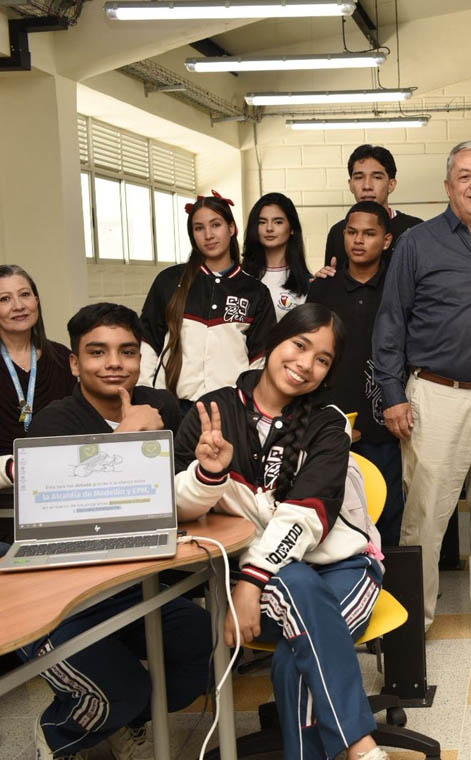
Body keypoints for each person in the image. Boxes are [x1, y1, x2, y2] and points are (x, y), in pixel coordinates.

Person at [173, 304, 388, 760]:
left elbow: (305, 516)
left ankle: (348, 747)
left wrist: (250, 582)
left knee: (296, 656)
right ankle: (361, 745)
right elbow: (177, 509)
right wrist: (209, 475)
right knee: (298, 597)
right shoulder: (213, 411)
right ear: (273, 342)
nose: (306, 364)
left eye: (322, 359)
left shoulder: (328, 423)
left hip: (343, 570)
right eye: (299, 345)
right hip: (274, 583)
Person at [22, 302, 210, 760]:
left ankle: (123, 719)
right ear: (74, 363)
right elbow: (76, 513)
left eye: (127, 352)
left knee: (206, 645)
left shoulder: (161, 405)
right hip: (64, 600)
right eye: (97, 352)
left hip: (136, 587)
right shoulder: (53, 422)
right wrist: (128, 436)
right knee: (119, 692)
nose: (114, 363)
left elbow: (178, 489)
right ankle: (60, 733)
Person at [375, 141, 471, 648]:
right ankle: (411, 619)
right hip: (438, 395)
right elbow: (390, 323)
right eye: (465, 176)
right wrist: (392, 394)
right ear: (448, 186)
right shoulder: (417, 243)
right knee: (426, 513)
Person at [308, 201, 403, 547]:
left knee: (388, 507)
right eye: (351, 232)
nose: (358, 241)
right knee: (337, 508)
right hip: (334, 415)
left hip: (384, 416)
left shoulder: (398, 284)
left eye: (369, 234)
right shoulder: (322, 288)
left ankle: (388, 572)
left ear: (387, 240)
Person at [138, 191, 277, 410]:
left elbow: (260, 359)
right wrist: (147, 395)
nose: (208, 235)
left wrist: (249, 404)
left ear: (231, 228)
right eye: (199, 228)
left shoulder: (256, 291)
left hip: (231, 408)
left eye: (216, 225)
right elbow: (148, 343)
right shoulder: (169, 281)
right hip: (173, 406)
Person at [0, 265, 74, 495]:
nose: (18, 306)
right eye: (4, 299)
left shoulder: (63, 358)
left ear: (37, 301)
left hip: (59, 488)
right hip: (5, 494)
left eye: (24, 294)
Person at [323, 144, 423, 273]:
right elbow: (332, 276)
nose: (367, 186)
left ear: (391, 185)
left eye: (377, 177)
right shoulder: (338, 232)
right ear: (350, 185)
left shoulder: (416, 229)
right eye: (359, 177)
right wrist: (324, 279)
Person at [242, 192, 312, 321]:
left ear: (292, 228)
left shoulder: (307, 283)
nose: (269, 228)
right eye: (262, 222)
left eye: (278, 222)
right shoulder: (241, 277)